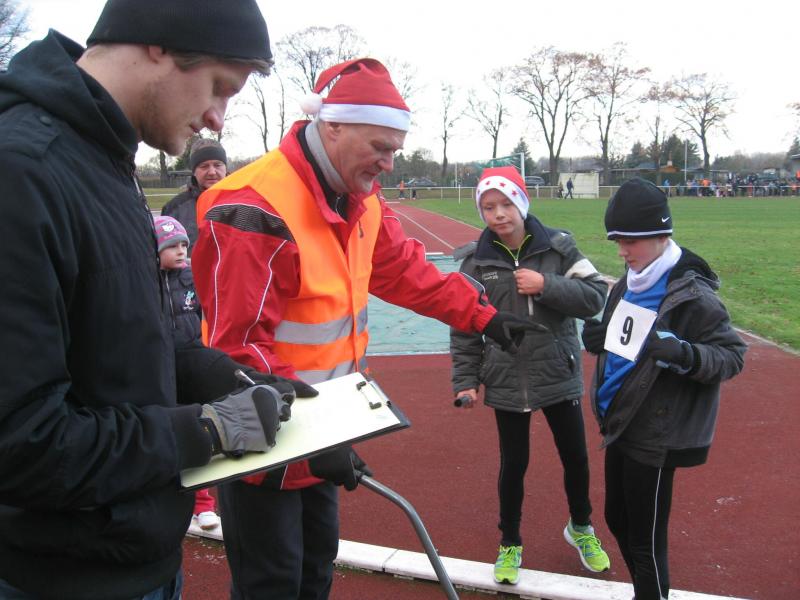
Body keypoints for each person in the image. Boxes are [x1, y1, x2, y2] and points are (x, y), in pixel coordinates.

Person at [0, 2, 318, 599]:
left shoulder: (105, 157)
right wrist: (211, 430)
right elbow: (21, 443)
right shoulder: (20, 170)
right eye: (220, 87)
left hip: (139, 556)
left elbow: (119, 342)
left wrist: (221, 375)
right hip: (61, 577)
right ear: (158, 44)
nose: (218, 118)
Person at [192, 57, 535, 599]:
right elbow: (238, 349)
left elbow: (403, 270)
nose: (389, 164)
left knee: (315, 574)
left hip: (322, 433)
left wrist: (483, 316)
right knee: (271, 586)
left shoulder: (362, 198)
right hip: (268, 445)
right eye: (380, 146)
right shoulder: (252, 207)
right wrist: (312, 433)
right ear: (332, 126)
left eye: (395, 149)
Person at [581, 178, 746, 600]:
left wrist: (685, 353)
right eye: (617, 241)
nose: (622, 251)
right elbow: (628, 342)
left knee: (645, 542)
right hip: (621, 422)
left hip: (656, 430)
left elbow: (731, 357)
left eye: (630, 241)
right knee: (617, 518)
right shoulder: (628, 282)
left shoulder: (692, 295)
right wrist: (601, 340)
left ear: (660, 234)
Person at [450, 166, 610, 586]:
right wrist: (466, 380)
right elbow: (464, 325)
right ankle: (510, 542)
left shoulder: (559, 248)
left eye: (506, 204)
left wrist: (546, 285)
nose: (498, 214)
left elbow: (596, 296)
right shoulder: (475, 261)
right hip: (506, 377)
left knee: (575, 456)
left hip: (557, 370)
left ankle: (581, 527)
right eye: (489, 207)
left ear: (522, 203)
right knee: (514, 464)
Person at [154, 215, 222, 533]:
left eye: (184, 244)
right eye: (172, 246)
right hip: (157, 369)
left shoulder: (190, 277)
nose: (181, 250)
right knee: (165, 432)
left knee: (197, 429)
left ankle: (203, 504)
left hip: (188, 365)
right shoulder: (145, 281)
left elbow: (200, 312)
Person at [162, 138, 228, 255]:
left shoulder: (245, 204)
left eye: (217, 165)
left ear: (225, 168)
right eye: (204, 166)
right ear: (194, 171)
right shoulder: (174, 209)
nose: (212, 172)